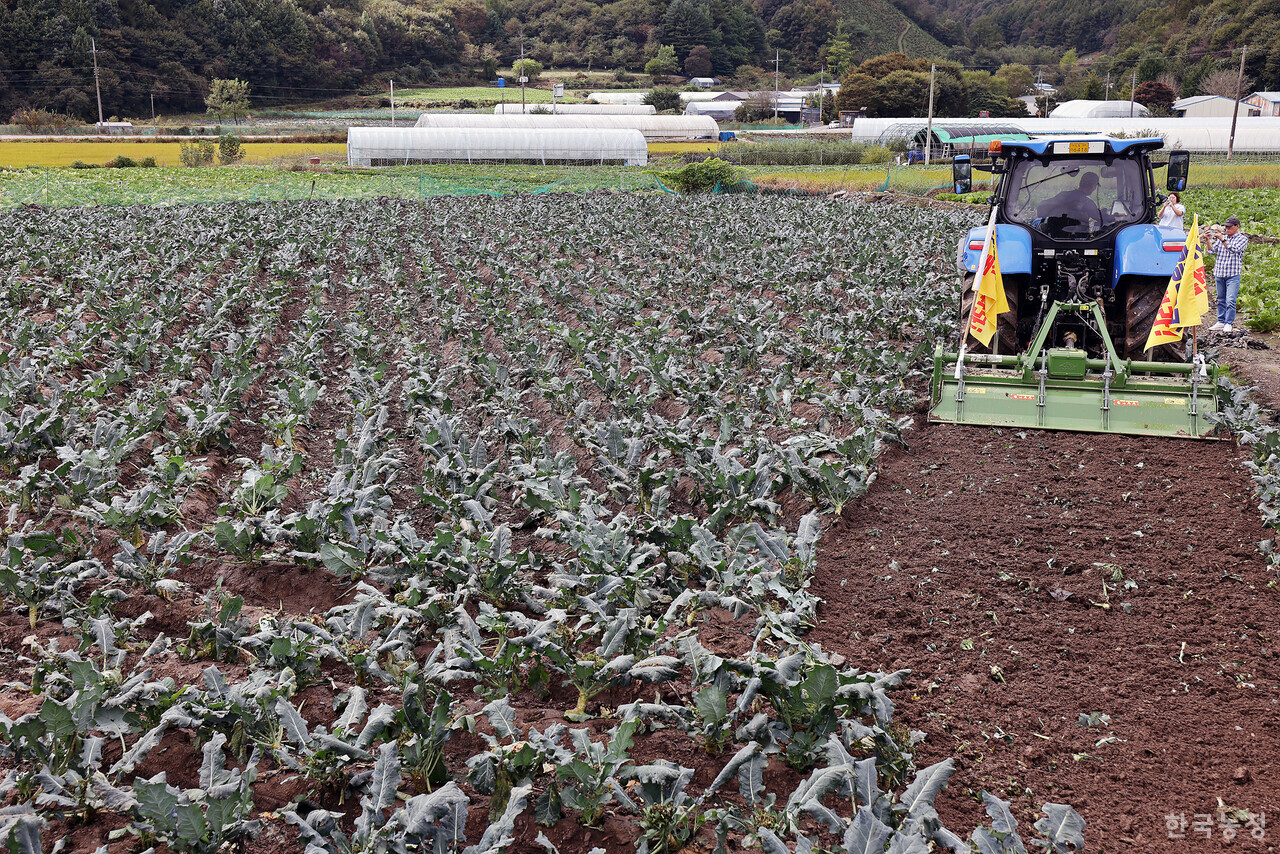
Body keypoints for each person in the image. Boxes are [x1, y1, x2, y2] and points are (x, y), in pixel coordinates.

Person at [1206, 216, 1248, 333]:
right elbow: (1211, 251)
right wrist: (1208, 240)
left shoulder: (1242, 239)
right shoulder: (1222, 237)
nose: (1227, 228)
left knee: (1230, 300)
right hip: (1219, 273)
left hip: (1233, 274)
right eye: (1226, 226)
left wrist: (1222, 240)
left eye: (1230, 227)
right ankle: (1220, 321)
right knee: (1220, 299)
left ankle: (1228, 323)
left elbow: (1233, 249)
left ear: (1237, 226)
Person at [1038, 171, 1102, 232]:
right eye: (1095, 186)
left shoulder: (1063, 195)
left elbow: (1042, 208)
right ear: (1092, 186)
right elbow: (1101, 219)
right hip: (1079, 240)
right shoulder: (1088, 203)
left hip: (1052, 237)